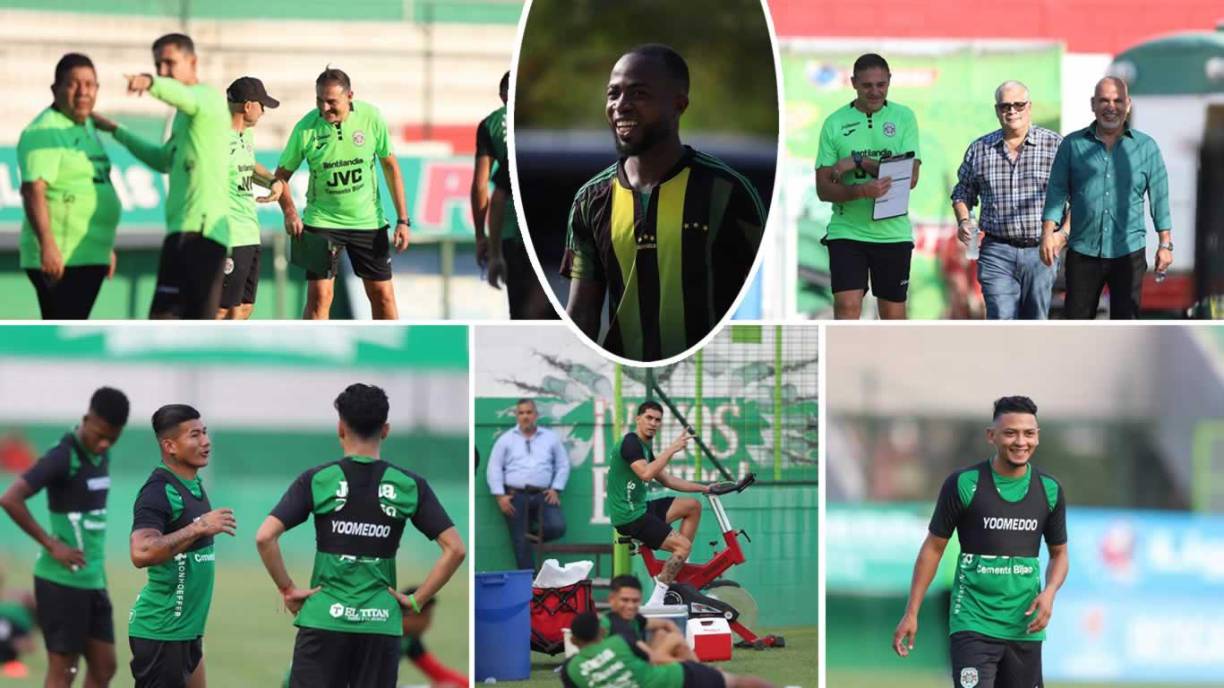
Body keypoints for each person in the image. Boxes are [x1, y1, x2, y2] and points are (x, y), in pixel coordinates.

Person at [562, 44, 765, 361]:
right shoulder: (590, 200)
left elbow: (761, 300)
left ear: (678, 105)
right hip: (624, 375)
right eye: (613, 93)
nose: (621, 105)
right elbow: (582, 315)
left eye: (639, 94)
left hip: (708, 373)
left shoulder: (728, 191)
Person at [255, 383, 466, 688]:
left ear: (341, 428)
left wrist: (287, 589)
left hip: (323, 619)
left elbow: (265, 537)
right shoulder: (409, 484)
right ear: (386, 430)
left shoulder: (318, 479)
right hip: (380, 623)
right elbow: (455, 549)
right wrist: (416, 601)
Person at [893, 396, 1069, 688]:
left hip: (1024, 628)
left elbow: (1060, 554)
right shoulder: (963, 484)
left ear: (1037, 436)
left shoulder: (1049, 490)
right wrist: (911, 613)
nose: (1021, 441)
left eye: (1029, 433)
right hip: (972, 623)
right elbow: (933, 548)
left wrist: (1049, 592)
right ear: (991, 435)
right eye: (1010, 433)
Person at [93, 33, 232, 319]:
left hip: (202, 233)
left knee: (186, 323)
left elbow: (183, 95)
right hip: (181, 233)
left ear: (193, 62)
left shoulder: (207, 99)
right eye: (158, 65)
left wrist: (149, 82)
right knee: (165, 320)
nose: (163, 70)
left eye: (170, 63)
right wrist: (117, 131)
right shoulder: (183, 117)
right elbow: (163, 159)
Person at [0, 387, 129, 688]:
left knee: (104, 666)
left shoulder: (102, 453)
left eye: (113, 438)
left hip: (93, 579)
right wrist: (51, 543)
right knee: (64, 670)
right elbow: (10, 498)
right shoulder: (63, 455)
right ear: (87, 419)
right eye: (100, 435)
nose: (104, 443)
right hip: (61, 581)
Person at [275, 68, 412, 320]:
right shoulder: (305, 128)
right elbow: (280, 177)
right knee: (319, 298)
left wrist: (403, 220)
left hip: (368, 222)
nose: (324, 108)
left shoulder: (371, 117)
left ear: (350, 96)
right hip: (321, 222)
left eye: (331, 101)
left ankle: (387, 346)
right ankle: (314, 346)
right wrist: (290, 211)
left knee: (383, 296)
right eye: (319, 100)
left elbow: (390, 167)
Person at [1040, 77, 1172, 319]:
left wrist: (1165, 244)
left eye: (1117, 101)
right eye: (1104, 101)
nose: (1111, 107)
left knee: (1126, 325)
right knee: (1076, 325)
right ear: (1093, 104)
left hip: (1129, 252)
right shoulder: (1072, 145)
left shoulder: (1146, 147)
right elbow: (1056, 192)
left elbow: (1160, 198)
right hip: (1083, 251)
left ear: (1128, 104)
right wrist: (1048, 233)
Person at [128, 404, 236, 688]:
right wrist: (199, 527)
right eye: (195, 435)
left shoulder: (193, 484)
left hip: (187, 632)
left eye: (205, 433)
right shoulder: (158, 490)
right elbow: (141, 551)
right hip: (162, 631)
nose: (206, 441)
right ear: (170, 446)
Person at [814, 53, 922, 320]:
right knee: (847, 307)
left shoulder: (904, 117)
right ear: (853, 83)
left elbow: (909, 178)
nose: (875, 91)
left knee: (892, 315)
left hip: (892, 234)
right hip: (847, 232)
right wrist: (861, 191)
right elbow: (823, 189)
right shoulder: (834, 123)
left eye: (881, 84)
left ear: (889, 81)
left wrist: (860, 161)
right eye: (867, 85)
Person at [17, 53, 120, 319]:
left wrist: (104, 247)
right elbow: (33, 190)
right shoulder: (44, 131)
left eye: (90, 84)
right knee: (61, 327)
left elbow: (93, 182)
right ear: (56, 89)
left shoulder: (87, 125)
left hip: (90, 253)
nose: (83, 91)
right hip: (62, 256)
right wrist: (48, 246)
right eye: (73, 84)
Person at [951, 81, 1066, 319]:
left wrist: (1062, 235)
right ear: (997, 110)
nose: (1012, 111)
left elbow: (1078, 196)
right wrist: (963, 221)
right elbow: (962, 191)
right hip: (997, 251)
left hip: (1041, 250)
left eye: (1018, 105)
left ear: (1029, 107)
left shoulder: (1055, 145)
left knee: (1035, 320)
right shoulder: (980, 149)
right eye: (1005, 106)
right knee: (1001, 319)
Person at [609, 401, 708, 607]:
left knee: (692, 506)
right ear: (638, 419)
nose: (653, 423)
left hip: (641, 508)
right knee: (683, 546)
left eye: (657, 420)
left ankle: (678, 566)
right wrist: (672, 449)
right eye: (649, 418)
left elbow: (667, 480)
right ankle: (657, 600)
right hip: (629, 517)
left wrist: (705, 488)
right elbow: (646, 473)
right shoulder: (631, 443)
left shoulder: (645, 447)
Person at [475, 71, 556, 320]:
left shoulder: (491, 125)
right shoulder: (543, 131)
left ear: (503, 96)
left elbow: (481, 187)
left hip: (513, 236)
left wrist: (484, 240)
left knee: (523, 316)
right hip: (553, 238)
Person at [217, 76, 285, 320]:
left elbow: (249, 165)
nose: (264, 111)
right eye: (261, 105)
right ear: (247, 106)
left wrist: (272, 181)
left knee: (245, 307)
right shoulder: (216, 139)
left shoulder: (245, 135)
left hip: (249, 232)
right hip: (230, 235)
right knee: (221, 308)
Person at [561, 611, 772, 688]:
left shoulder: (569, 670)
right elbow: (654, 658)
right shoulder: (619, 641)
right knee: (736, 682)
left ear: (573, 640)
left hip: (674, 675)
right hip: (675, 679)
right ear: (601, 632)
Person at [486, 398, 570, 570]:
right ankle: (530, 581)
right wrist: (500, 496)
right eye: (521, 413)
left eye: (529, 412)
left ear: (536, 415)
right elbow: (494, 468)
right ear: (517, 416)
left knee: (557, 527)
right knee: (520, 543)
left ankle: (529, 536)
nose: (525, 416)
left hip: (543, 494)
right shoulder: (506, 439)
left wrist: (556, 488)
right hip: (515, 496)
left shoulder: (550, 438)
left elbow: (563, 464)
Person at [600, 574, 693, 658]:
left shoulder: (634, 619)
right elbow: (651, 658)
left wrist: (681, 640)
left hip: (638, 663)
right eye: (625, 600)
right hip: (621, 668)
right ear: (611, 599)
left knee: (661, 633)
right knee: (674, 640)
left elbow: (666, 623)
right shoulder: (612, 624)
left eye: (635, 601)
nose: (630, 606)